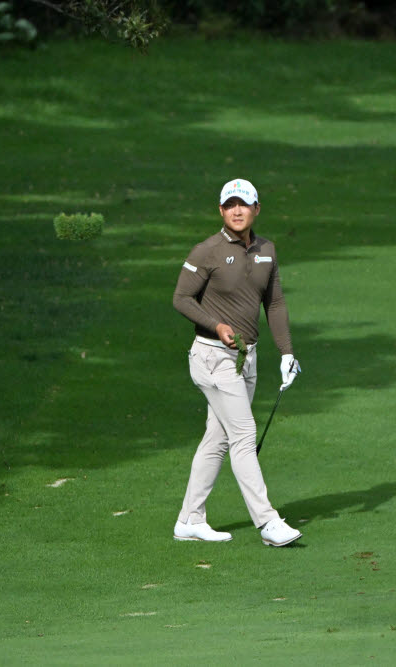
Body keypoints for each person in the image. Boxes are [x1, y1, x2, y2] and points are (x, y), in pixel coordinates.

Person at [171, 178, 303, 547]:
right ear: (221, 211)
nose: (237, 210)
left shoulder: (267, 250)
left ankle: (189, 519)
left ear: (256, 209)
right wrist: (216, 324)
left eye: (243, 204)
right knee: (244, 434)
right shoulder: (207, 251)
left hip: (248, 357)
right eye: (229, 205)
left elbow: (274, 304)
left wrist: (287, 353)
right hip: (212, 356)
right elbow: (182, 299)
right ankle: (268, 522)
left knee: (218, 438)